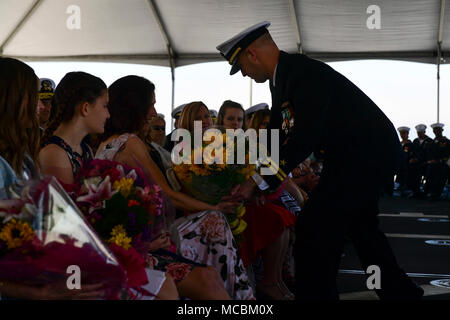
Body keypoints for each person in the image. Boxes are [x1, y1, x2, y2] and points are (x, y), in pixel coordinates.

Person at [217, 21, 424, 300]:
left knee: (315, 228)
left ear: (252, 55)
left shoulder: (302, 75)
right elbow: (278, 138)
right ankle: (402, 293)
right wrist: (254, 180)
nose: (243, 74)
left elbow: (304, 138)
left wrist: (259, 182)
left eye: (241, 66)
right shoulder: (284, 79)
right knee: (363, 232)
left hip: (364, 157)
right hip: (355, 158)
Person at [95, 76, 252, 299]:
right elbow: (169, 195)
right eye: (150, 105)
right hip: (141, 244)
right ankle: (243, 295)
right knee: (214, 220)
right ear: (134, 107)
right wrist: (215, 207)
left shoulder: (105, 143)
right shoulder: (130, 142)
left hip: (132, 239)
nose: (153, 113)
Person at [215, 101, 296, 300]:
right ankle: (269, 281)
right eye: (230, 118)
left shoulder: (247, 145)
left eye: (239, 119)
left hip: (247, 201)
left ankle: (274, 279)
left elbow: (260, 175)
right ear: (221, 120)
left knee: (283, 217)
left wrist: (258, 193)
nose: (235, 123)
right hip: (226, 205)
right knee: (276, 218)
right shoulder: (212, 145)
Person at [424, 123, 450, 200]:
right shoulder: (431, 143)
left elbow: (448, 155)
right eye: (435, 130)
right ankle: (429, 191)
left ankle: (437, 193)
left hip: (442, 165)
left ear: (442, 130)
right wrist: (430, 161)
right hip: (432, 165)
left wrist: (440, 160)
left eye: (438, 130)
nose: (436, 132)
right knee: (429, 173)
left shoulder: (447, 142)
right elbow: (428, 154)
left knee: (440, 175)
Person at [412, 124, 433, 197]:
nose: (419, 134)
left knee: (428, 177)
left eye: (421, 132)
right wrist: (413, 158)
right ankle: (416, 192)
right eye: (418, 133)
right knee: (414, 176)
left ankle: (426, 192)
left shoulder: (430, 141)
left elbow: (430, 153)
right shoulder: (415, 141)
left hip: (426, 163)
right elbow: (413, 152)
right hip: (416, 163)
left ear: (424, 132)